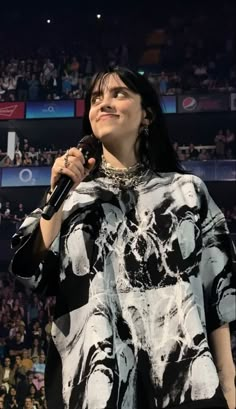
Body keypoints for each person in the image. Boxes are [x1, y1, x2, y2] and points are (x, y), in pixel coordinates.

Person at [9, 67, 236, 409]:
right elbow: (30, 271)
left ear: (147, 114)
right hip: (95, 391)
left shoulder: (188, 193)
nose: (104, 103)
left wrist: (230, 386)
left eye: (119, 94)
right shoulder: (72, 198)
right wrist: (54, 198)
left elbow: (217, 299)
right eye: (96, 98)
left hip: (184, 387)